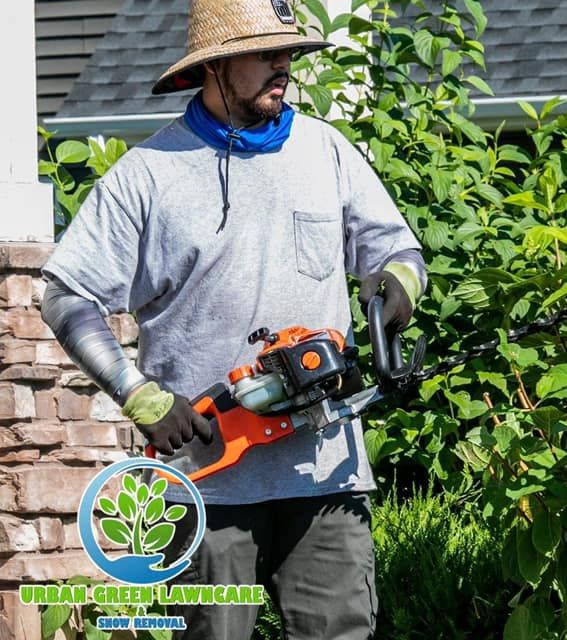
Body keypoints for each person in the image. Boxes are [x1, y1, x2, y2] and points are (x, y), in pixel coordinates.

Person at [40, 0, 426, 638]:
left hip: (325, 468)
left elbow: (396, 251)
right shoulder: (147, 176)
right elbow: (66, 293)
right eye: (266, 53)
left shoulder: (326, 150)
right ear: (215, 66)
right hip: (205, 484)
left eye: (289, 53)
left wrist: (392, 296)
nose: (285, 66)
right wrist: (138, 395)